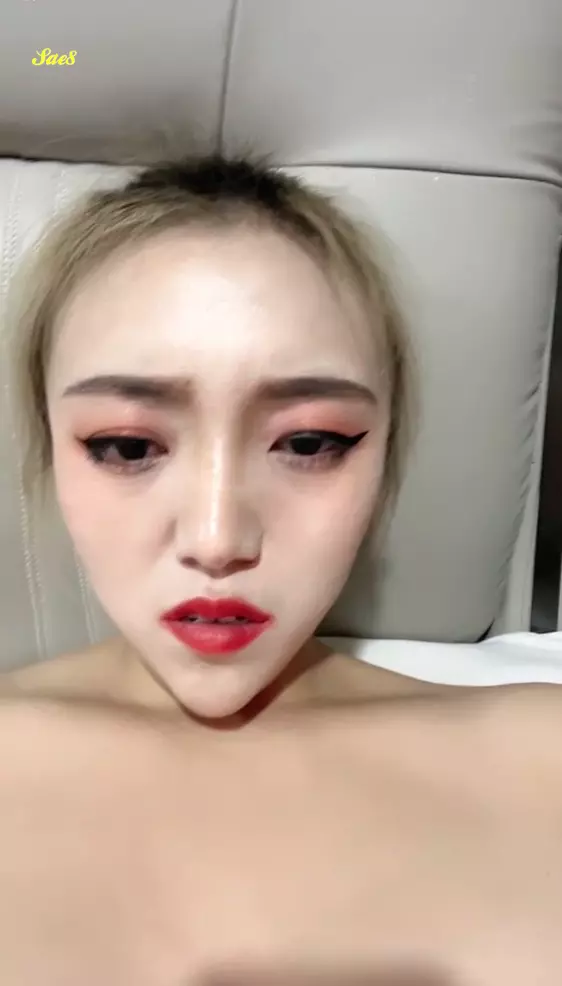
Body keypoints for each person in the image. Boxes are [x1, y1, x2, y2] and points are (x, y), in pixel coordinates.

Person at [0, 152, 560, 986]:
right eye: (125, 446)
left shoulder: (541, 758)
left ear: (386, 458)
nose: (218, 538)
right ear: (51, 451)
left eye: (307, 442)